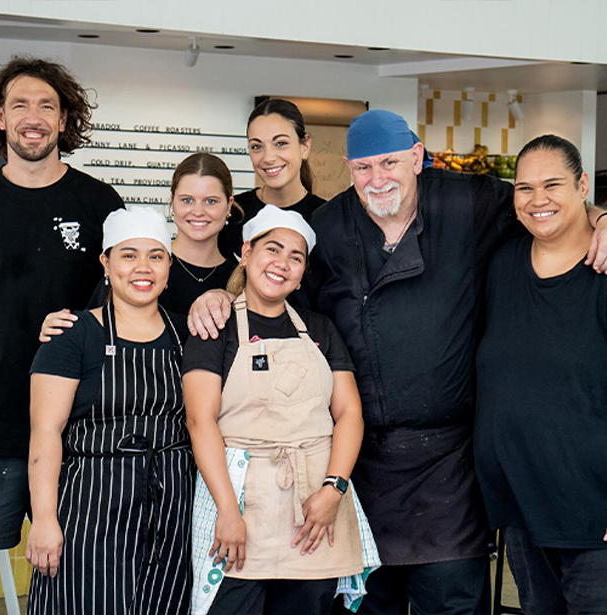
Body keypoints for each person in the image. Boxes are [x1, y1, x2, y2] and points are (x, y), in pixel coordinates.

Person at [187, 110, 607, 615]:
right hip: (359, 466)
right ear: (347, 169)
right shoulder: (329, 227)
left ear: (416, 158)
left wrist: (601, 216)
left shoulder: (468, 200)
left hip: (449, 467)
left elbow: (546, 209)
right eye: (363, 168)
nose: (377, 178)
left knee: (451, 600)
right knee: (369, 603)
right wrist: (218, 297)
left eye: (390, 162)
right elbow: (280, 296)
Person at [183, 205, 372, 615]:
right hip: (240, 505)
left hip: (313, 511)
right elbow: (200, 421)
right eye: (272, 249)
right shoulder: (215, 328)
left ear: (303, 272)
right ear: (246, 253)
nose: (282, 264)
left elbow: (349, 414)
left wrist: (333, 489)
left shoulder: (319, 328)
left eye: (296, 257)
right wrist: (229, 512)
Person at [0, 56, 123, 568]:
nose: (34, 116)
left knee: (80, 571)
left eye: (48, 105)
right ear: (0, 117)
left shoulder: (99, 203)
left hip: (80, 430)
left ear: (64, 121)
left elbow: (128, 295)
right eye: (19, 104)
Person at [26, 206, 194, 615]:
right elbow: (46, 433)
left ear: (169, 265)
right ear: (105, 262)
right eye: (128, 255)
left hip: (171, 509)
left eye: (155, 256)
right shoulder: (72, 334)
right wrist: (45, 519)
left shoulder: (190, 334)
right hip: (91, 508)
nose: (143, 268)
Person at [474, 135, 607, 614]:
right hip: (523, 510)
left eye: (552, 185)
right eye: (524, 188)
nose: (538, 200)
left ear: (583, 185)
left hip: (595, 518)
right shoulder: (503, 263)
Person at [40, 153, 239, 339]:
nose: (198, 211)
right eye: (187, 200)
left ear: (229, 205)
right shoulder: (136, 269)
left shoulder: (240, 278)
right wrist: (62, 331)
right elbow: (90, 332)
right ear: (172, 203)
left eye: (211, 201)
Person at [218, 98, 324, 259]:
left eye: (281, 143)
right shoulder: (232, 214)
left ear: (305, 146)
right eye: (256, 146)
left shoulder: (328, 218)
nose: (268, 157)